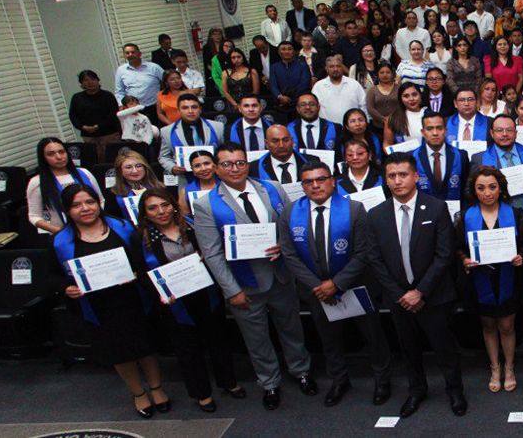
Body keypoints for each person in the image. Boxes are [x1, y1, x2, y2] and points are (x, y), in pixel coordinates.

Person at [191, 143, 316, 409]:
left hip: (281, 275)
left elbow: (293, 223)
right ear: (216, 168)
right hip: (244, 285)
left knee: (292, 329)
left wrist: (285, 246)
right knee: (256, 339)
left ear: (248, 163)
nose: (235, 168)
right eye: (227, 164)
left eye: (240, 162)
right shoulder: (206, 204)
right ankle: (269, 383)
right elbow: (211, 253)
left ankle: (301, 371)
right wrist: (231, 290)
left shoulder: (271, 188)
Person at [278, 162, 392, 407]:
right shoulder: (290, 213)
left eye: (321, 179)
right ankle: (340, 379)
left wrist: (337, 284)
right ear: (302, 186)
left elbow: (364, 252)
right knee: (329, 340)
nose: (315, 185)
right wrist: (319, 287)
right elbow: (289, 255)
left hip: (356, 286)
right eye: (308, 181)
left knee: (373, 336)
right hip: (316, 292)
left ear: (332, 181)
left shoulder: (354, 209)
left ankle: (382, 379)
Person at [52, 184, 170, 418]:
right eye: (76, 205)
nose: (85, 208)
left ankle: (156, 388)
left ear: (98, 203)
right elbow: (52, 275)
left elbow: (143, 259)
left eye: (89, 202)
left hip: (132, 299)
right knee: (118, 351)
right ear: (67, 210)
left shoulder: (123, 227)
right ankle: (138, 393)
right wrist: (66, 288)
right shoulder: (60, 242)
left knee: (145, 345)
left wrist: (136, 273)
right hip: (98, 307)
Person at [362, 152, 466, 417]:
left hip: (433, 295)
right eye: (392, 176)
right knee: (409, 349)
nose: (397, 181)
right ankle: (416, 390)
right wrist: (402, 295)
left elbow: (444, 255)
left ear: (415, 176)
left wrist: (420, 291)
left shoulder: (436, 207)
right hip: (399, 299)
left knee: (444, 347)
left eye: (403, 175)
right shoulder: (376, 214)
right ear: (386, 180)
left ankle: (455, 390)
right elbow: (374, 259)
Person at [136, 189, 245, 413]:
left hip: (206, 294)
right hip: (175, 302)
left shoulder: (192, 225)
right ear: (145, 213)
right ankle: (201, 393)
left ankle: (228, 382)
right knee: (188, 349)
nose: (161, 211)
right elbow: (141, 273)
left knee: (218, 341)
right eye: (153, 208)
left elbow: (215, 250)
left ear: (173, 205)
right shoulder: (142, 238)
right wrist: (160, 294)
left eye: (164, 205)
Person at [454, 167, 523, 393]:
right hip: (479, 277)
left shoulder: (515, 214)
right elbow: (457, 248)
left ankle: (510, 367)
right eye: (481, 188)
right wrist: (464, 260)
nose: (487, 193)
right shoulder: (466, 216)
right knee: (488, 325)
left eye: (492, 187)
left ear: (501, 188)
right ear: (474, 191)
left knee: (506, 325)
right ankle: (495, 367)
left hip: (508, 276)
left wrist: (521, 256)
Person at [471, 114, 523, 213]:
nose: (504, 134)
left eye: (509, 130)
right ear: (492, 133)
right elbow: (470, 190)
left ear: (516, 133)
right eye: (499, 130)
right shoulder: (479, 158)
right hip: (497, 214)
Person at [27, 138, 103, 235]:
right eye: (51, 154)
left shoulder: (85, 173)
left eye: (61, 152)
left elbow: (101, 200)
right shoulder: (37, 182)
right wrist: (60, 232)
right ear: (43, 158)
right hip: (65, 233)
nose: (58, 157)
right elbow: (34, 216)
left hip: (96, 228)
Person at [158, 95, 222, 174]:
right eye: (185, 108)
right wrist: (172, 167)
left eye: (194, 107)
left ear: (200, 109)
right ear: (178, 111)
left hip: (214, 177)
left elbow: (224, 152)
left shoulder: (218, 127)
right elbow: (163, 156)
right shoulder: (167, 131)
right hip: (185, 179)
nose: (190, 111)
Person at [114, 43, 165, 125]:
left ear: (139, 54)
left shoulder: (154, 67)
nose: (130, 55)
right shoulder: (121, 70)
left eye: (133, 52)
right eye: (127, 53)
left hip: (155, 108)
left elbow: (167, 82)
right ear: (125, 56)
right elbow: (119, 92)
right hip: (134, 111)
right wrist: (121, 105)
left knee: (160, 134)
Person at [106, 149, 164, 221]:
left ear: (145, 168)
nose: (135, 171)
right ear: (120, 171)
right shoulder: (113, 194)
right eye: (128, 167)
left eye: (138, 166)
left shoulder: (161, 189)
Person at [312, 55, 368, 123]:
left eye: (338, 66)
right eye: (331, 67)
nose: (335, 69)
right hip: (328, 128)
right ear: (326, 69)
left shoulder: (354, 84)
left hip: (352, 128)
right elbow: (313, 108)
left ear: (342, 68)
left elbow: (364, 105)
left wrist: (365, 122)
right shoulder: (318, 86)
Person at [269, 41, 313, 117]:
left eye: (289, 49)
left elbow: (304, 83)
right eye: (283, 49)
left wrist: (290, 98)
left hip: (299, 103)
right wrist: (280, 96)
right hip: (281, 104)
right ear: (279, 52)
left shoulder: (302, 65)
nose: (286, 51)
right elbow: (273, 84)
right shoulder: (274, 67)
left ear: (294, 52)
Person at [179, 150, 221, 217]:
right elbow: (185, 218)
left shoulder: (228, 185)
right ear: (192, 170)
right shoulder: (185, 192)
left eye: (207, 163)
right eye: (197, 166)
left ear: (215, 166)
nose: (203, 168)